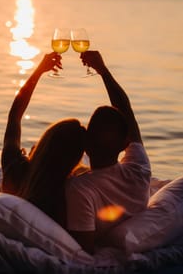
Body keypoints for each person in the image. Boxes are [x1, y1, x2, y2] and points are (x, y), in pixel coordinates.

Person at [65, 50, 151, 254]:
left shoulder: (80, 189)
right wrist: (102, 70)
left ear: (85, 144)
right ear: (125, 144)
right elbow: (126, 111)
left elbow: (83, 248)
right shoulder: (139, 171)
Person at [1, 52, 86, 226]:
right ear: (75, 158)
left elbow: (15, 116)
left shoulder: (15, 168)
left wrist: (39, 70)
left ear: (44, 142)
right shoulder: (71, 194)